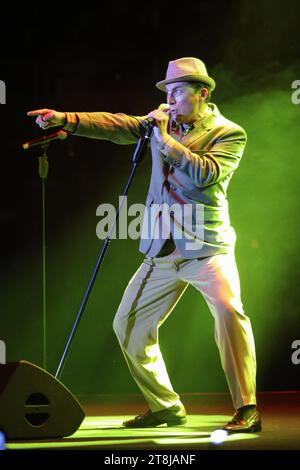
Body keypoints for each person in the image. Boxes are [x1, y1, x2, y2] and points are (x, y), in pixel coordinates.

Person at [27, 57, 261, 433]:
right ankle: (165, 406)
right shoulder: (159, 124)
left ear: (202, 93)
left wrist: (164, 139)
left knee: (229, 314)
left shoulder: (228, 132)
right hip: (162, 250)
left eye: (178, 91)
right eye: (167, 91)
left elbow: (205, 174)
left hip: (207, 249)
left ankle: (246, 406)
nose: (169, 99)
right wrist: (65, 119)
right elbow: (118, 125)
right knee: (129, 326)